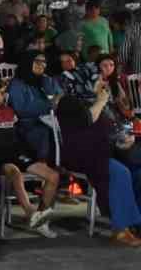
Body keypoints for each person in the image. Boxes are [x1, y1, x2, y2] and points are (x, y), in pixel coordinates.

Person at [0, 77, 59, 236]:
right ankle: (31, 212)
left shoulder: (9, 112)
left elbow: (18, 138)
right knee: (15, 171)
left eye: (2, 93)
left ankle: (40, 217)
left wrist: (34, 156)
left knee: (53, 176)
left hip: (15, 154)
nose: (0, 97)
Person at [54, 85, 141, 247]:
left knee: (137, 170)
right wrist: (101, 101)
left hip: (103, 152)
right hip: (82, 156)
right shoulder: (67, 105)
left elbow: (109, 132)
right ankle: (120, 229)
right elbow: (86, 119)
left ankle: (136, 224)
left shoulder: (92, 105)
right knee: (120, 173)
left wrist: (121, 142)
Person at [7, 50, 59, 164]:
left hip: (52, 121)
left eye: (44, 61)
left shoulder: (47, 80)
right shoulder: (17, 84)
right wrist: (50, 105)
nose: (42, 64)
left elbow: (60, 97)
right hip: (28, 126)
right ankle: (43, 165)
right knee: (45, 133)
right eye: (37, 61)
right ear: (28, 62)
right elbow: (21, 109)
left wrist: (49, 89)